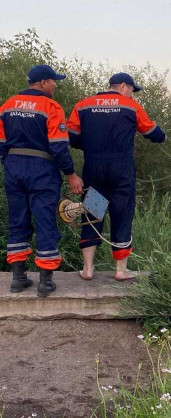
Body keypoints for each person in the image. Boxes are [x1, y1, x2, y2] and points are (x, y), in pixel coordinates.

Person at [66, 72, 165, 281]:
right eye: (132, 90)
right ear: (122, 86)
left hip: (94, 169)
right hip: (122, 171)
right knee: (122, 214)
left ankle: (88, 270)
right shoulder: (131, 107)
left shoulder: (83, 105)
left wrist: (90, 145)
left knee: (92, 215)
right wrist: (161, 136)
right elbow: (152, 132)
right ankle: (120, 270)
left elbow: (71, 136)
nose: (132, 94)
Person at [0, 65, 84, 296]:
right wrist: (71, 174)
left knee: (18, 221)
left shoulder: (7, 105)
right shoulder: (51, 106)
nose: (56, 85)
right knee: (45, 221)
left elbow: (1, 144)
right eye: (54, 81)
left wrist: (10, 164)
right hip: (42, 169)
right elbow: (58, 147)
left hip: (14, 167)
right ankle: (45, 282)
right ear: (44, 82)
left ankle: (18, 279)